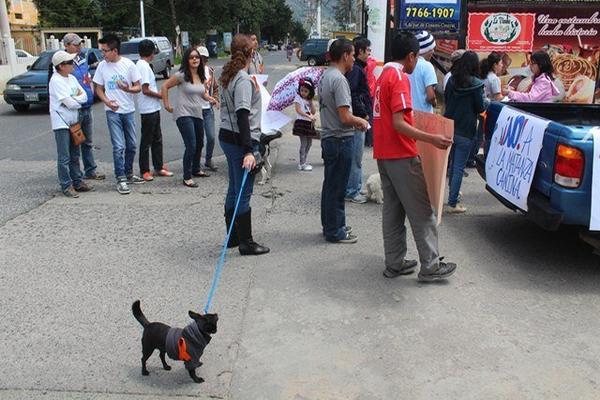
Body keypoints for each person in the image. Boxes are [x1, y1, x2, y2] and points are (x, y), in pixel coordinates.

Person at [373, 31, 456, 282]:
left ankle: (395, 262)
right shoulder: (398, 77)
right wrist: (432, 139)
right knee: (422, 212)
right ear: (410, 56)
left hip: (384, 154)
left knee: (393, 212)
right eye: (417, 58)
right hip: (401, 154)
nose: (417, 63)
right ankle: (430, 267)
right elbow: (399, 123)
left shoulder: (382, 75)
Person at [219, 33, 269, 255]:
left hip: (227, 137)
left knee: (234, 188)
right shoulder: (241, 80)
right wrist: (249, 150)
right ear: (251, 53)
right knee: (243, 191)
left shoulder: (229, 76)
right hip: (239, 141)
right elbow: (242, 116)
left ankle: (232, 236)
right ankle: (246, 242)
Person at [319, 38, 369, 244]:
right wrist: (361, 122)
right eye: (352, 55)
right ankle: (336, 230)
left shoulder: (326, 75)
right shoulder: (339, 80)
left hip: (331, 138)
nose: (354, 60)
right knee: (338, 188)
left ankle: (331, 225)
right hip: (340, 139)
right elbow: (345, 116)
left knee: (331, 186)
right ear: (345, 55)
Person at [93, 34, 143, 195]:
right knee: (118, 146)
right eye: (102, 51)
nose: (103, 54)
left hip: (128, 110)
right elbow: (98, 88)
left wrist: (127, 89)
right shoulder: (102, 66)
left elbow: (138, 87)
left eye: (105, 51)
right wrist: (107, 101)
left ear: (115, 51)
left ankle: (128, 173)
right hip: (112, 112)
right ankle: (120, 178)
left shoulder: (128, 65)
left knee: (132, 144)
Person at [162, 47, 218, 188]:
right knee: (191, 145)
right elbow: (164, 86)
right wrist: (167, 104)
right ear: (187, 60)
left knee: (200, 143)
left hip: (197, 113)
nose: (195, 59)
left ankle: (196, 169)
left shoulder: (200, 76)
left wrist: (210, 98)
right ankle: (187, 177)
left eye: (197, 57)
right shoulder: (181, 75)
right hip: (183, 113)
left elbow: (201, 93)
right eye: (191, 57)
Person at [444, 51, 488, 214]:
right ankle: (453, 202)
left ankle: (452, 194)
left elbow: (447, 101)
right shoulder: (477, 85)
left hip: (449, 127)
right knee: (458, 167)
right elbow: (480, 107)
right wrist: (486, 102)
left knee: (449, 164)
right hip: (466, 129)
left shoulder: (451, 80)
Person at [48, 50, 93, 197]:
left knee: (75, 154)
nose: (72, 64)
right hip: (61, 123)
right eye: (69, 62)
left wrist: (75, 99)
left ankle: (77, 181)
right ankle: (66, 185)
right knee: (64, 156)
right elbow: (69, 103)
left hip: (74, 121)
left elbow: (84, 95)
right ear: (61, 66)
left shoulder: (71, 78)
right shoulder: (56, 81)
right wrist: (76, 99)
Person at [62, 33, 105, 181]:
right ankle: (76, 175)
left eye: (80, 44)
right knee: (75, 143)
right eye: (75, 44)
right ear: (66, 46)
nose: (79, 47)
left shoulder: (82, 59)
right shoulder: (62, 62)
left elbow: (87, 77)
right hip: (74, 108)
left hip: (87, 105)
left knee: (88, 142)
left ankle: (90, 170)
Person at [135, 39, 173, 182]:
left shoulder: (143, 65)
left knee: (157, 138)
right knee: (147, 140)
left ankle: (158, 166)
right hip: (148, 108)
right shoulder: (143, 66)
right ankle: (144, 170)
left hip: (153, 107)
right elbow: (145, 90)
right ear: (152, 52)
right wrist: (161, 95)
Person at [344, 36, 372, 204]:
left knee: (355, 157)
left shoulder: (357, 69)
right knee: (356, 157)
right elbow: (354, 95)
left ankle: (353, 187)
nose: (369, 54)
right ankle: (352, 191)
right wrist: (363, 114)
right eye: (367, 50)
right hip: (358, 119)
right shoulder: (356, 71)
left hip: (357, 118)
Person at [197, 45, 219, 172]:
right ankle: (196, 162)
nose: (203, 61)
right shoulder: (192, 72)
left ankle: (208, 159)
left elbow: (215, 87)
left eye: (205, 58)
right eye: (201, 58)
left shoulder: (210, 71)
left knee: (211, 137)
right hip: (196, 109)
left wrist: (214, 99)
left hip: (207, 109)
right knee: (198, 139)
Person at [407, 31, 438, 113]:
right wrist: (434, 103)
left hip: (408, 112)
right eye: (432, 49)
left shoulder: (407, 64)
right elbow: (430, 96)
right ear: (426, 50)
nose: (433, 52)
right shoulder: (427, 66)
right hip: (423, 115)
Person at [292, 78, 318, 171]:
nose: (303, 92)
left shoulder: (308, 100)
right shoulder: (298, 98)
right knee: (304, 143)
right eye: (301, 90)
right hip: (301, 123)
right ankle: (302, 163)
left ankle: (304, 160)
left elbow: (313, 112)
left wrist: (311, 104)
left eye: (306, 91)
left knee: (309, 143)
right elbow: (298, 110)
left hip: (309, 124)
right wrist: (308, 116)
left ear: (310, 92)